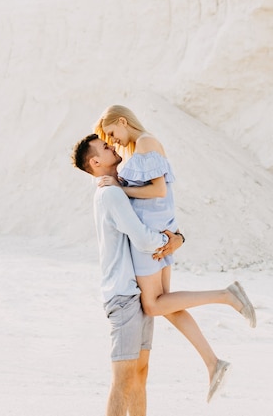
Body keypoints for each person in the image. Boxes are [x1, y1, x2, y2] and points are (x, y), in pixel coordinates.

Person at [94, 105, 256, 402]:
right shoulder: (139, 147)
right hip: (162, 232)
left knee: (155, 306)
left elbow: (158, 191)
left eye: (113, 134)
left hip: (152, 238)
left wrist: (119, 187)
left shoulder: (145, 142)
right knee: (166, 305)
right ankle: (213, 362)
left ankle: (226, 295)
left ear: (121, 121)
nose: (114, 141)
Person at [72, 133, 184, 416]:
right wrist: (171, 241)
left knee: (140, 375)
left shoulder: (118, 189)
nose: (113, 147)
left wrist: (175, 238)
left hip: (136, 293)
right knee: (123, 380)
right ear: (96, 162)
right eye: (106, 148)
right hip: (123, 295)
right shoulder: (109, 193)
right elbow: (143, 239)